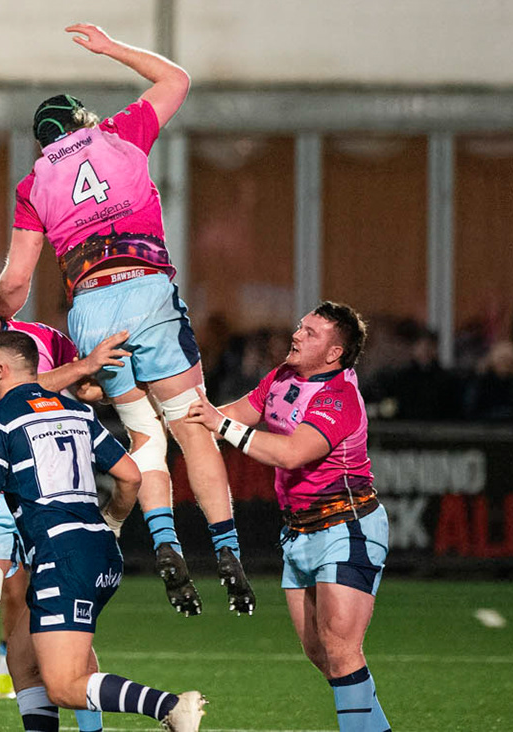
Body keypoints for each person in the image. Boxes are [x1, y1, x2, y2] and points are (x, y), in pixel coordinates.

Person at [0, 23, 250, 616]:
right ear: (83, 121)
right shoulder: (118, 133)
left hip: (91, 311)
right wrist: (111, 49)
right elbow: (176, 79)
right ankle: (228, 551)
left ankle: (165, 545)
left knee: (144, 438)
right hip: (146, 292)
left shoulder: (33, 184)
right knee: (191, 424)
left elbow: (15, 282)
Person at [0, 331, 205, 732]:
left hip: (62, 558)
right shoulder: (77, 412)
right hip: (99, 551)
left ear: (0, 370)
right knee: (21, 658)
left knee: (65, 685)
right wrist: (114, 524)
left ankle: (170, 706)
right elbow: (130, 477)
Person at [0, 271, 130, 732]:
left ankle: (87, 727)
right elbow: (9, 393)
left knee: (51, 622)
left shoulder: (40, 338)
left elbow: (90, 384)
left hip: (44, 496)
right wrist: (82, 368)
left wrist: (98, 381)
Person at [181, 302, 391, 732]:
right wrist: (176, 411)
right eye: (301, 326)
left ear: (334, 354)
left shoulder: (340, 396)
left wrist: (220, 426)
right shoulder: (283, 376)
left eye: (311, 333)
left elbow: (293, 452)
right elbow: (233, 413)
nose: (296, 335)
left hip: (346, 526)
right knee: (321, 654)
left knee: (342, 649)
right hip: (298, 533)